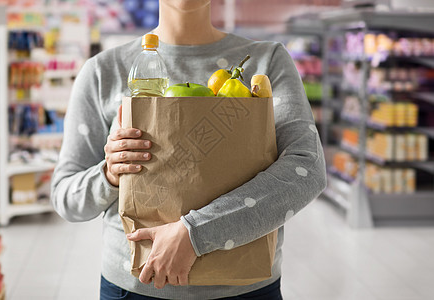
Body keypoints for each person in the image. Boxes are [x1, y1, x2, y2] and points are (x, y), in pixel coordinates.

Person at [51, 0, 327, 299]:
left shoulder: (266, 61)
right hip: (134, 289)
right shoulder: (103, 71)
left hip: (247, 288)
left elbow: (307, 169)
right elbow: (65, 197)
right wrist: (110, 173)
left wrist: (195, 233)